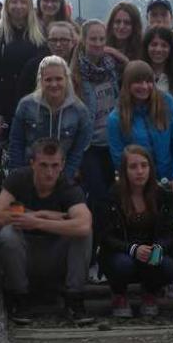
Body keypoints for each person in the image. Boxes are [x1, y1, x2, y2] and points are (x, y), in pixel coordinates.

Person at [0, 138, 94, 324]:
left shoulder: (69, 187)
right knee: (8, 235)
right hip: (25, 255)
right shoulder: (17, 179)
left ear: (62, 165)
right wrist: (44, 215)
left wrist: (37, 222)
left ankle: (74, 299)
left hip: (55, 256)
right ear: (32, 163)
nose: (49, 172)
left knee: (83, 235)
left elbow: (83, 225)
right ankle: (20, 299)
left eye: (55, 166)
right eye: (43, 165)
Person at [101, 145, 173, 318]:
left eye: (144, 165)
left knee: (166, 265)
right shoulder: (112, 195)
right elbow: (106, 236)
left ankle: (150, 292)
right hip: (122, 251)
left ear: (151, 168)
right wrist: (133, 249)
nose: (140, 171)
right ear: (124, 170)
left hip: (151, 250)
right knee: (122, 264)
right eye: (133, 167)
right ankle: (119, 294)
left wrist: (158, 247)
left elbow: (170, 231)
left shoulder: (163, 195)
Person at [107, 61, 173, 190]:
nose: (144, 86)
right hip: (139, 185)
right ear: (127, 84)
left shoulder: (168, 102)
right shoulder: (115, 118)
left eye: (148, 81)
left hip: (170, 179)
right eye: (138, 82)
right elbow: (119, 159)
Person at [10, 56, 91, 179]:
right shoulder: (25, 105)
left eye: (59, 79)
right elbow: (16, 143)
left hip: (63, 176)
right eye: (48, 80)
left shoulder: (80, 111)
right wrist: (17, 177)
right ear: (41, 81)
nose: (54, 84)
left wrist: (65, 179)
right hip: (29, 174)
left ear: (66, 79)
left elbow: (78, 151)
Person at [0, 0, 48, 136]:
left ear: (29, 5)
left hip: (38, 102)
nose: (18, 6)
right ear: (7, 5)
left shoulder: (40, 34)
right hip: (8, 105)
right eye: (14, 2)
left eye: (23, 2)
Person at [74, 19, 121, 223]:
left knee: (112, 192)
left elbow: (137, 70)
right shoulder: (76, 73)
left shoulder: (111, 68)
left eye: (102, 39)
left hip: (111, 142)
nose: (98, 43)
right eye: (93, 39)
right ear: (83, 41)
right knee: (97, 195)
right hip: (89, 145)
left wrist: (117, 54)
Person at [17, 20, 79, 103]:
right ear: (47, 42)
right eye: (53, 40)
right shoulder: (33, 66)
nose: (58, 44)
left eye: (63, 40)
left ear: (73, 42)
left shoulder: (80, 67)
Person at [144, 26, 173, 120]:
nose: (158, 49)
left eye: (164, 45)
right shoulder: (138, 74)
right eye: (154, 44)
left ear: (171, 49)